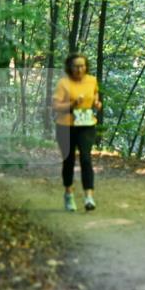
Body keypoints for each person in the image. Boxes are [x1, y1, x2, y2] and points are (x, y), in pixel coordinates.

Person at [53, 53, 101, 212]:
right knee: (69, 160)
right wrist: (73, 104)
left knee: (86, 159)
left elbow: (95, 95)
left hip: (86, 125)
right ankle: (68, 194)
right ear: (69, 68)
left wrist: (97, 103)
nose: (79, 69)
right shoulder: (63, 83)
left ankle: (89, 197)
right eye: (76, 66)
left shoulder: (92, 80)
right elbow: (56, 107)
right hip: (66, 126)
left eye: (82, 66)